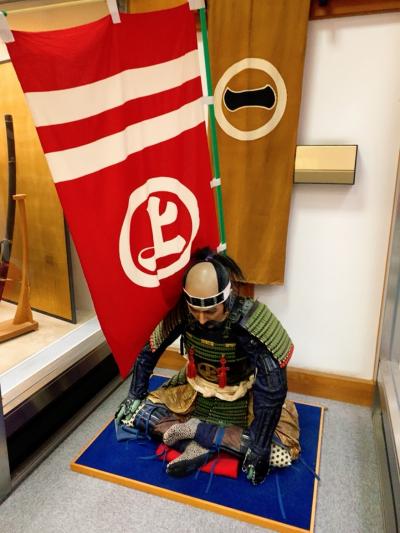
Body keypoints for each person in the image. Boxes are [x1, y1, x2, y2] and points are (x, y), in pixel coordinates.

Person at [115, 248, 299, 485]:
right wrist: (135, 394)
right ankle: (206, 442)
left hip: (241, 398)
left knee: (281, 450)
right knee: (138, 411)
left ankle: (196, 433)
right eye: (195, 310)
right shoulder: (184, 313)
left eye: (210, 311)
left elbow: (272, 387)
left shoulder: (251, 318)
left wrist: (260, 447)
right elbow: (150, 350)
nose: (201, 319)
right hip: (194, 392)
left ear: (226, 298)